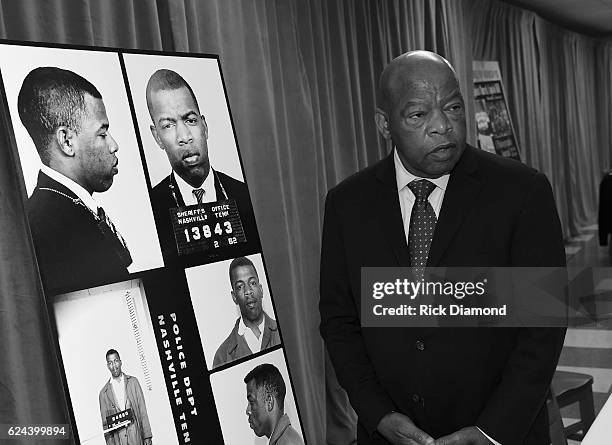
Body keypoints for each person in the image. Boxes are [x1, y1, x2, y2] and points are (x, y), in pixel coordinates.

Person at [319, 51, 566, 444]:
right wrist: (379, 415)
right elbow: (339, 321)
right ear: (385, 124)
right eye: (418, 115)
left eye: (453, 107)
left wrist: (492, 431)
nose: (442, 126)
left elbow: (542, 328)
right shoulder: (347, 204)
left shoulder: (521, 193)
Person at [18, 67, 131, 294]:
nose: (114, 145)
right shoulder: (45, 228)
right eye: (102, 133)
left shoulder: (54, 213)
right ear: (67, 141)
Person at [145, 69, 260, 264]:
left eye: (190, 120)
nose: (184, 137)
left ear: (204, 127)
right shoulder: (151, 209)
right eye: (168, 125)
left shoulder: (243, 194)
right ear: (157, 137)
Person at [213, 257, 280, 368]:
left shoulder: (283, 330)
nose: (248, 291)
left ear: (261, 290)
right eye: (240, 286)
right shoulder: (222, 356)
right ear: (234, 297)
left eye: (253, 283)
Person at [99, 349, 152, 445]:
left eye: (116, 361)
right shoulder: (103, 394)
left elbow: (142, 410)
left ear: (120, 362)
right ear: (107, 366)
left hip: (136, 437)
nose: (114, 365)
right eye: (110, 363)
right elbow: (106, 426)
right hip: (119, 441)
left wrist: (147, 436)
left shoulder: (133, 382)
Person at [244, 363, 304, 445]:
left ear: (269, 402)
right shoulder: (283, 439)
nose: (247, 410)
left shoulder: (288, 442)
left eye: (252, 402)